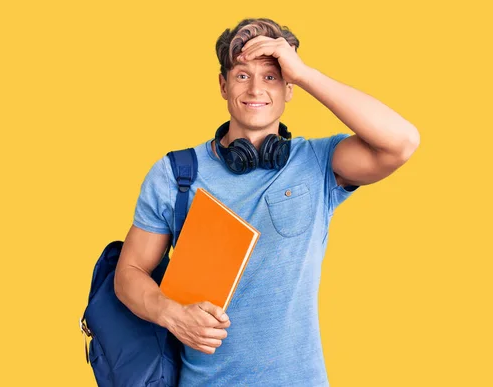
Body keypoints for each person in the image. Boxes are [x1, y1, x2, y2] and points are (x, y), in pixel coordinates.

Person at [114, 17, 420, 387]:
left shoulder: (319, 163)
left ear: (289, 88)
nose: (256, 87)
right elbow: (128, 274)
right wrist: (171, 314)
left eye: (272, 76)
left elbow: (401, 142)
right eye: (242, 75)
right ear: (223, 85)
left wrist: (304, 73)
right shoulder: (177, 174)